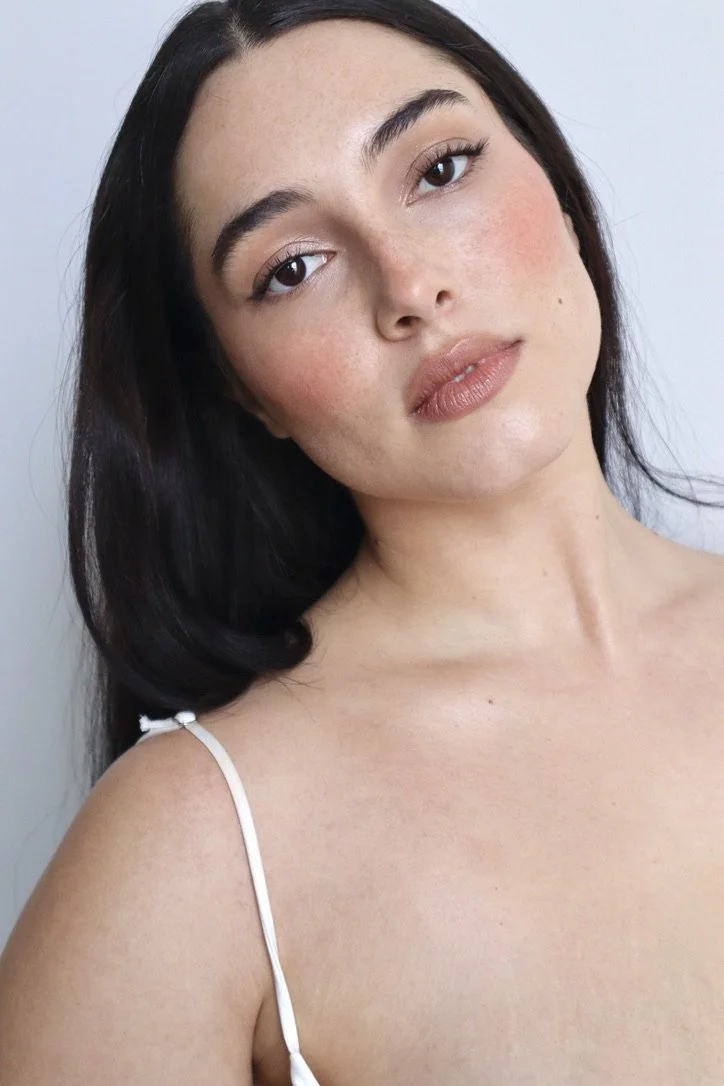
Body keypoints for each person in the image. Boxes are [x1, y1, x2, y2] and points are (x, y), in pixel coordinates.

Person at [2, 0, 724, 1080]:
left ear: (556, 185)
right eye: (292, 267)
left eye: (438, 170)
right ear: (241, 392)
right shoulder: (193, 854)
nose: (410, 287)